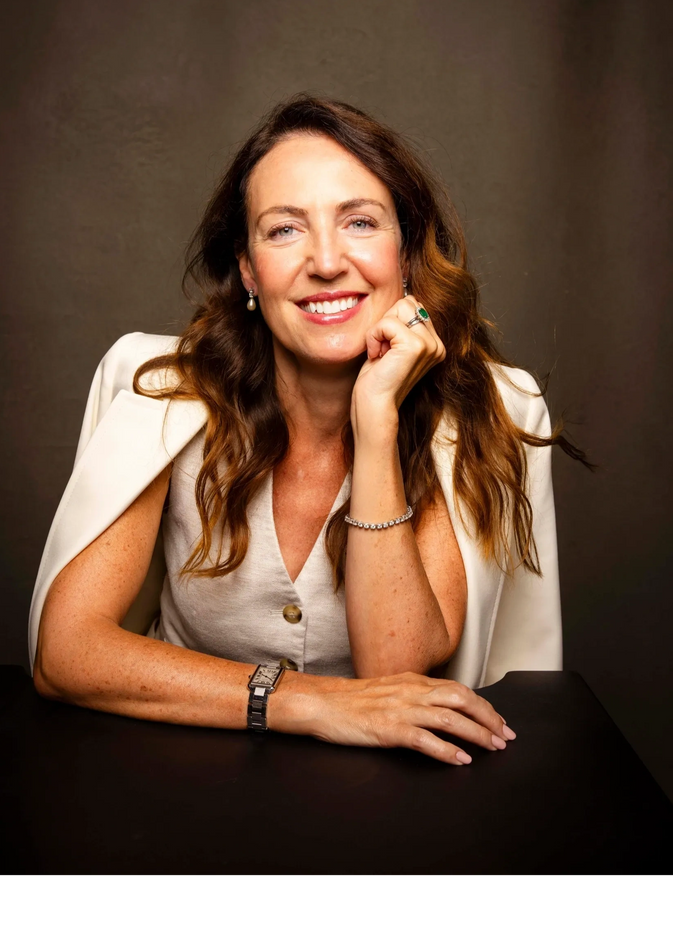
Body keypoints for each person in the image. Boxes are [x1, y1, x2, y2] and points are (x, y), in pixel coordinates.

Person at [30, 93, 586, 765]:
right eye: (285, 230)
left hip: (386, 803)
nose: (325, 261)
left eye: (360, 222)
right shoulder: (166, 395)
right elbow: (66, 653)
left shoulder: (475, 414)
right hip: (175, 776)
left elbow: (395, 676)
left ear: (406, 251)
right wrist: (307, 702)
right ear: (247, 268)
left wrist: (376, 421)